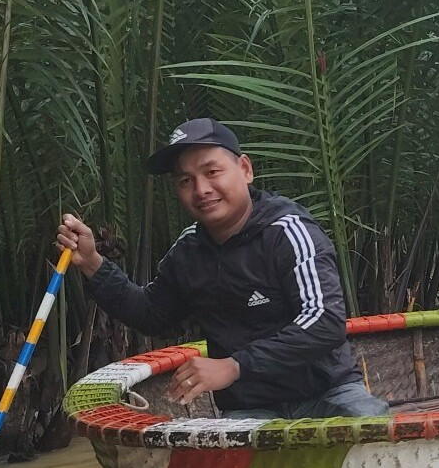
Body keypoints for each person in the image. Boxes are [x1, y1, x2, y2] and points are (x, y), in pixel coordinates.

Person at [56, 117, 388, 419]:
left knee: (374, 427)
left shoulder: (288, 232)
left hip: (328, 394)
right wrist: (93, 263)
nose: (201, 190)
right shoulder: (188, 251)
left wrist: (234, 366)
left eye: (212, 172)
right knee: (226, 456)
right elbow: (151, 314)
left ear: (245, 169)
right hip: (251, 408)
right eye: (186, 180)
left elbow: (325, 321)